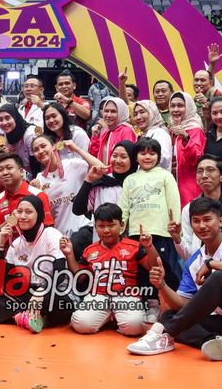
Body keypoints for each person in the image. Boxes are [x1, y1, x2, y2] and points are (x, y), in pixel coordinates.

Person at [126, 197, 222, 360]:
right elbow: (183, 304)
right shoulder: (194, 261)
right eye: (196, 221)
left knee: (220, 278)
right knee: (170, 315)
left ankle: (164, 332)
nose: (202, 226)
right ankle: (216, 342)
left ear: (221, 221)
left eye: (207, 219)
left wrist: (213, 264)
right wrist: (162, 285)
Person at [0, 195, 72, 332]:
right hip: (25, 294)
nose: (23, 216)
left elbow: (61, 275)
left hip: (50, 292)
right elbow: (1, 279)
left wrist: (42, 291)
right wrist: (1, 244)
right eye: (20, 211)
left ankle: (16, 313)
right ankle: (20, 317)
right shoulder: (16, 243)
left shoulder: (51, 234)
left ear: (39, 214)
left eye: (29, 212)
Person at [64, 203, 158, 335]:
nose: (106, 230)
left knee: (135, 327)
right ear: (95, 227)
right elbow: (80, 277)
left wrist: (149, 247)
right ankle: (109, 317)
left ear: (122, 225)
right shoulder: (89, 251)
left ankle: (117, 317)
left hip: (127, 296)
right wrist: (69, 254)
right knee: (80, 324)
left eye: (111, 225)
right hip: (98, 296)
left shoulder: (134, 247)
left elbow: (153, 267)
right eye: (101, 226)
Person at [119, 137, 183, 317]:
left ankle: (179, 302)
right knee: (141, 270)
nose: (147, 157)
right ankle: (151, 303)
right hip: (135, 234)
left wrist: (175, 225)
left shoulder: (165, 175)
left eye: (152, 153)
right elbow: (124, 206)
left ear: (159, 156)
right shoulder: (130, 179)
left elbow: (173, 200)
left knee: (163, 267)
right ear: (136, 156)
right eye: (143, 153)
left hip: (160, 231)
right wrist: (120, 229)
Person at [70, 141, 138, 260]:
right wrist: (88, 180)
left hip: (130, 248)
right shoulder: (102, 182)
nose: (117, 160)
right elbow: (78, 210)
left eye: (123, 157)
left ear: (133, 159)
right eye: (114, 155)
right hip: (101, 247)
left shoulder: (138, 183)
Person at [31, 136, 100, 237]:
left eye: (43, 146)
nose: (40, 151)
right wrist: (35, 195)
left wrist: (76, 149)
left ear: (54, 146)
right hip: (61, 236)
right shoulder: (38, 181)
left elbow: (101, 168)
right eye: (36, 150)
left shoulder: (73, 164)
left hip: (85, 227)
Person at [0, 153, 53, 228]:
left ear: (21, 171)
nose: (4, 173)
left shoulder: (38, 195)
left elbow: (47, 228)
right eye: (0, 170)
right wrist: (10, 221)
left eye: (9, 168)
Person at [168, 91, 206, 207]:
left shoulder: (195, 129)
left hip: (190, 186)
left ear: (188, 107)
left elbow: (197, 159)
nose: (175, 109)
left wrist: (186, 137)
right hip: (173, 186)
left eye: (180, 105)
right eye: (172, 105)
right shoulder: (171, 130)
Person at [89, 97, 137, 171]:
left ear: (121, 112)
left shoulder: (126, 131)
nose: (108, 115)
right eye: (106, 111)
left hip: (117, 178)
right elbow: (94, 155)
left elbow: (127, 160)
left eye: (113, 111)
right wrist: (95, 137)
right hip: (103, 176)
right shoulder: (106, 131)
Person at [0, 104, 37, 174]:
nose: (4, 123)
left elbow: (36, 165)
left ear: (15, 117)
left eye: (7, 118)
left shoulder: (30, 134)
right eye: (0, 119)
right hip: (20, 174)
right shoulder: (7, 133)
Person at [133, 100, 171, 171]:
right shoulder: (141, 135)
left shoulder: (160, 132)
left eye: (142, 112)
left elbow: (164, 160)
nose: (138, 117)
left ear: (152, 112)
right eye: (135, 114)